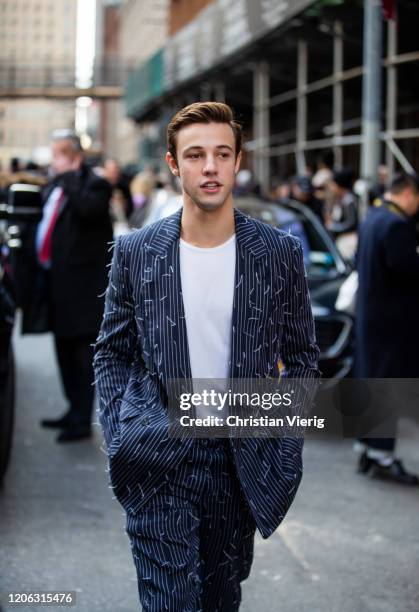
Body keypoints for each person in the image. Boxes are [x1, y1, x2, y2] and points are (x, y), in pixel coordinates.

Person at [94, 102, 320, 611]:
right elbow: (112, 352)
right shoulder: (137, 252)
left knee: (220, 601)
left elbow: (302, 359)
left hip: (240, 461)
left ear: (238, 160)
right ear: (174, 164)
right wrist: (119, 430)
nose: (210, 167)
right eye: (195, 155)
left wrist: (286, 446)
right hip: (157, 452)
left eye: (222, 153)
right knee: (170, 602)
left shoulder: (278, 253)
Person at [39, 130, 113, 442]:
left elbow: (87, 210)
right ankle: (72, 409)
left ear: (74, 158)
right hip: (56, 285)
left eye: (58, 155)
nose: (53, 162)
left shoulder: (94, 184)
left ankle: (82, 420)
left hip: (82, 292)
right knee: (63, 353)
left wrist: (69, 176)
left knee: (82, 359)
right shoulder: (55, 186)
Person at [354, 172, 419, 485]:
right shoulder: (396, 225)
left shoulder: (374, 217)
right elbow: (407, 269)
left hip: (371, 318)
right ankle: (382, 456)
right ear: (408, 193)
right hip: (391, 321)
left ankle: (368, 450)